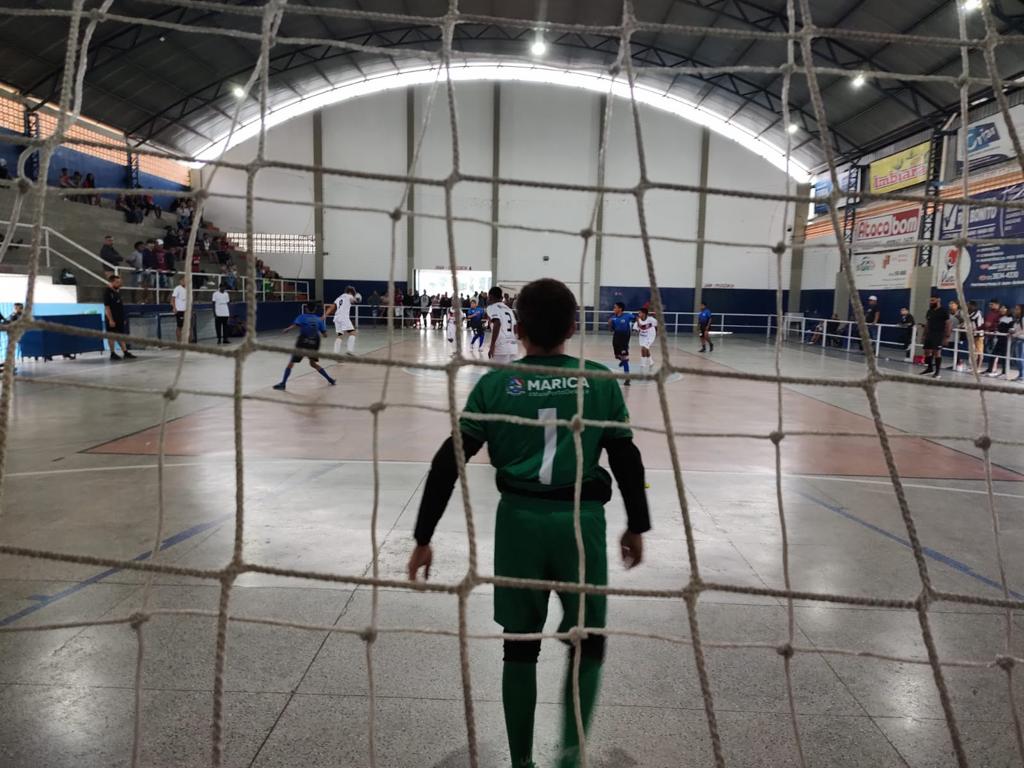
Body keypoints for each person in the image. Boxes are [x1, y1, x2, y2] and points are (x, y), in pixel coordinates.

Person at [407, 277, 650, 768]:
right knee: (589, 643)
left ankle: (521, 764)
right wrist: (636, 524)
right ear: (575, 326)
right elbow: (627, 459)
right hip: (581, 526)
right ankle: (570, 754)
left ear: (516, 329)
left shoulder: (494, 385)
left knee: (519, 649)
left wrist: (423, 537)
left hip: (517, 524)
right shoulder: (599, 381)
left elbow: (446, 462)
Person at [272, 303, 336, 391]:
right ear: (315, 309)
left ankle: (283, 383)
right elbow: (325, 335)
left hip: (302, 343)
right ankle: (330, 379)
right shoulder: (318, 320)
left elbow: (295, 325)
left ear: (306, 309)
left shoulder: (302, 317)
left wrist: (287, 329)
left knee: (291, 363)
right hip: (314, 343)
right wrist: (320, 326)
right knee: (313, 364)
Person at [103, 275, 135, 360]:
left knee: (121, 335)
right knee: (111, 336)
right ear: (111, 282)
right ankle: (112, 353)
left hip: (119, 318)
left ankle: (125, 352)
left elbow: (119, 307)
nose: (119, 284)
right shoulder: (107, 292)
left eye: (120, 282)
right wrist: (110, 320)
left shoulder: (116, 292)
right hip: (112, 319)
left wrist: (122, 318)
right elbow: (107, 307)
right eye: (117, 282)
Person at [919, 295, 950, 378]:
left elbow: (948, 323)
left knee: (937, 352)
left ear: (938, 300)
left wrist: (946, 336)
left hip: (939, 334)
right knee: (926, 351)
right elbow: (927, 323)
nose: (931, 302)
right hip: (930, 334)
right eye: (930, 301)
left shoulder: (943, 311)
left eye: (933, 300)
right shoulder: (929, 311)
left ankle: (937, 372)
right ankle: (929, 368)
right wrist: (924, 335)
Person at [486, 286, 519, 364]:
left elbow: (497, 323)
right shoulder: (508, 309)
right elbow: (515, 327)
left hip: (500, 347)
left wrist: (492, 345)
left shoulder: (492, 307)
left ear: (490, 297)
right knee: (510, 374)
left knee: (497, 374)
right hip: (513, 347)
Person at [328, 286, 360, 355]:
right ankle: (349, 350)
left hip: (337, 317)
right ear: (351, 292)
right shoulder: (349, 296)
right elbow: (353, 301)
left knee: (340, 335)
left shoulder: (339, 297)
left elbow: (333, 307)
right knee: (353, 333)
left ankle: (335, 353)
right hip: (344, 317)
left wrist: (325, 315)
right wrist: (357, 299)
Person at [608, 302, 633, 385]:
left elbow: (637, 319)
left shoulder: (628, 316)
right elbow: (612, 330)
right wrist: (610, 324)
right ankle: (624, 360)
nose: (613, 309)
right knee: (617, 356)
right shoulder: (613, 318)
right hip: (616, 338)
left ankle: (627, 378)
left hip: (624, 340)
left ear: (620, 309)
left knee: (624, 357)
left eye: (615, 307)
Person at [986, 304, 1013, 377]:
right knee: (993, 355)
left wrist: (1003, 333)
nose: (1001, 309)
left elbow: (1010, 330)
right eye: (1001, 308)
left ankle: (1004, 373)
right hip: (999, 339)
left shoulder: (1010, 319)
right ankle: (990, 370)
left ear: (1007, 309)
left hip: (1006, 341)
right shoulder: (1001, 318)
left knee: (1004, 357)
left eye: (1003, 308)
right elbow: (998, 327)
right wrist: (996, 331)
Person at [967, 300, 985, 372]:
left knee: (979, 351)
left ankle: (978, 368)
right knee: (973, 351)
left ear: (973, 306)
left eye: (968, 305)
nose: (967, 306)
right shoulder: (970, 312)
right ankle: (973, 367)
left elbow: (970, 318)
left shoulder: (978, 312)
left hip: (979, 334)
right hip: (972, 335)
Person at [171, 277, 188, 343]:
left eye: (185, 280)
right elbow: (172, 299)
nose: (184, 281)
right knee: (179, 326)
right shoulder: (177, 288)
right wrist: (174, 308)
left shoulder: (187, 289)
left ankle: (185, 341)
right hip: (180, 310)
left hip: (186, 310)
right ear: (180, 281)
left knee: (186, 327)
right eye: (183, 280)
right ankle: (178, 342)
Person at [1012, 304, 1024, 382]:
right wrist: (1012, 331)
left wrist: (1015, 334)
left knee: (1020, 359)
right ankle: (1020, 375)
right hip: (1017, 340)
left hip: (1021, 340)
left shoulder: (1023, 318)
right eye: (1015, 308)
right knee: (1017, 359)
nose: (1015, 310)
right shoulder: (1017, 319)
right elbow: (1017, 329)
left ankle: (1022, 376)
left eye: (1017, 309)